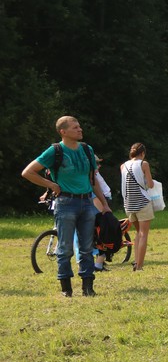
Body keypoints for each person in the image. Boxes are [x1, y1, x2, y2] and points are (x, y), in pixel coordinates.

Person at [22, 116, 110, 297]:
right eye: (75, 127)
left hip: (87, 203)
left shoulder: (87, 149)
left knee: (87, 247)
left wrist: (104, 204)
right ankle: (66, 289)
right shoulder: (55, 151)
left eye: (80, 126)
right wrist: (52, 185)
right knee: (65, 248)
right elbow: (28, 172)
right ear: (63, 132)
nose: (80, 130)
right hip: (66, 204)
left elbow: (93, 180)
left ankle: (88, 288)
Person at [121, 143, 155, 271]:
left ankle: (136, 261)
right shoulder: (143, 164)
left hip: (129, 204)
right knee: (143, 234)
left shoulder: (123, 166)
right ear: (143, 153)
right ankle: (139, 266)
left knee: (137, 233)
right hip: (142, 202)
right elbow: (150, 185)